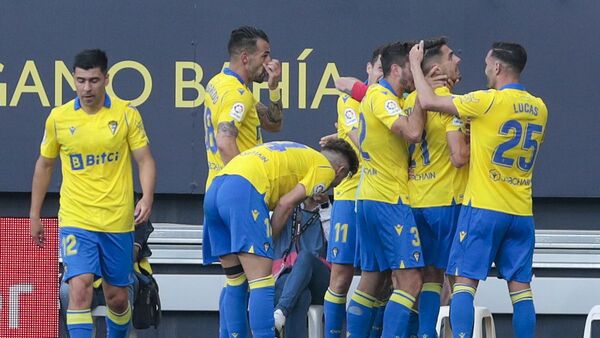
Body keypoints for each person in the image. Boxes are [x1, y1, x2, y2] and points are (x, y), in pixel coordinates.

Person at [409, 41, 548, 338]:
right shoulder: (540, 107)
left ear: (497, 67)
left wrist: (414, 65)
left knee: (464, 284)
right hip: (521, 211)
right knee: (521, 290)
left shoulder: (486, 101)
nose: (485, 70)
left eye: (487, 64)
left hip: (484, 208)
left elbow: (429, 101)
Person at [29, 49, 156, 338]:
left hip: (117, 220)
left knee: (117, 298)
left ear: (107, 79)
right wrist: (34, 214)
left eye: (94, 80)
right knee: (79, 287)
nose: (87, 88)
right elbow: (44, 164)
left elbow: (145, 159)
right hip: (77, 218)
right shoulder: (59, 118)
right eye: (81, 80)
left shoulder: (125, 114)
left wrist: (147, 196)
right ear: (73, 80)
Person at [203, 140, 358, 338]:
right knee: (261, 281)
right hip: (243, 191)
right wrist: (268, 242)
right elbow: (285, 204)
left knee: (235, 280)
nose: (333, 185)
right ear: (340, 170)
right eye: (343, 179)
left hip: (217, 186)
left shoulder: (302, 153)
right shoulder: (325, 169)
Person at [202, 26, 283, 337]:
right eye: (265, 56)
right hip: (239, 193)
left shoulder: (221, 84)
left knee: (235, 279)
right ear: (246, 57)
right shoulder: (236, 93)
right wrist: (246, 184)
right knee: (261, 279)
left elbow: (273, 123)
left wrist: (273, 88)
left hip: (215, 190)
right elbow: (225, 140)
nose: (270, 62)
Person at [346, 41, 427, 338]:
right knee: (410, 281)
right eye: (410, 67)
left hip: (370, 196)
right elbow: (413, 132)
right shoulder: (381, 95)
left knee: (374, 279)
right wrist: (421, 83)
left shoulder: (383, 96)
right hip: (387, 199)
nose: (413, 72)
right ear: (396, 69)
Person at [403, 37, 469, 337]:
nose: (459, 60)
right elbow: (458, 157)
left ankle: (426, 333)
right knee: (459, 280)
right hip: (447, 201)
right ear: (438, 67)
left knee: (430, 276)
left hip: (416, 201)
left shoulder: (407, 102)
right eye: (452, 56)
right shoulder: (451, 104)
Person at [321, 45, 384, 338]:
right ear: (368, 69)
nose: (381, 77)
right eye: (378, 70)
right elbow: (362, 144)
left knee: (383, 277)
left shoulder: (392, 103)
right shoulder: (350, 101)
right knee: (341, 273)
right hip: (349, 197)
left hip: (380, 198)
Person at [59, 218, 155, 337]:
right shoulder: (78, 211)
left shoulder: (130, 208)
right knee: (66, 291)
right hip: (87, 277)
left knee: (124, 289)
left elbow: (131, 256)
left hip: (121, 275)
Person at [272, 199, 331, 337]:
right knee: (301, 295)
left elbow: (335, 243)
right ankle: (281, 313)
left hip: (319, 277)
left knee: (305, 257)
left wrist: (324, 206)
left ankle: (280, 311)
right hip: (287, 277)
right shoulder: (287, 206)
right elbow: (270, 235)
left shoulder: (329, 209)